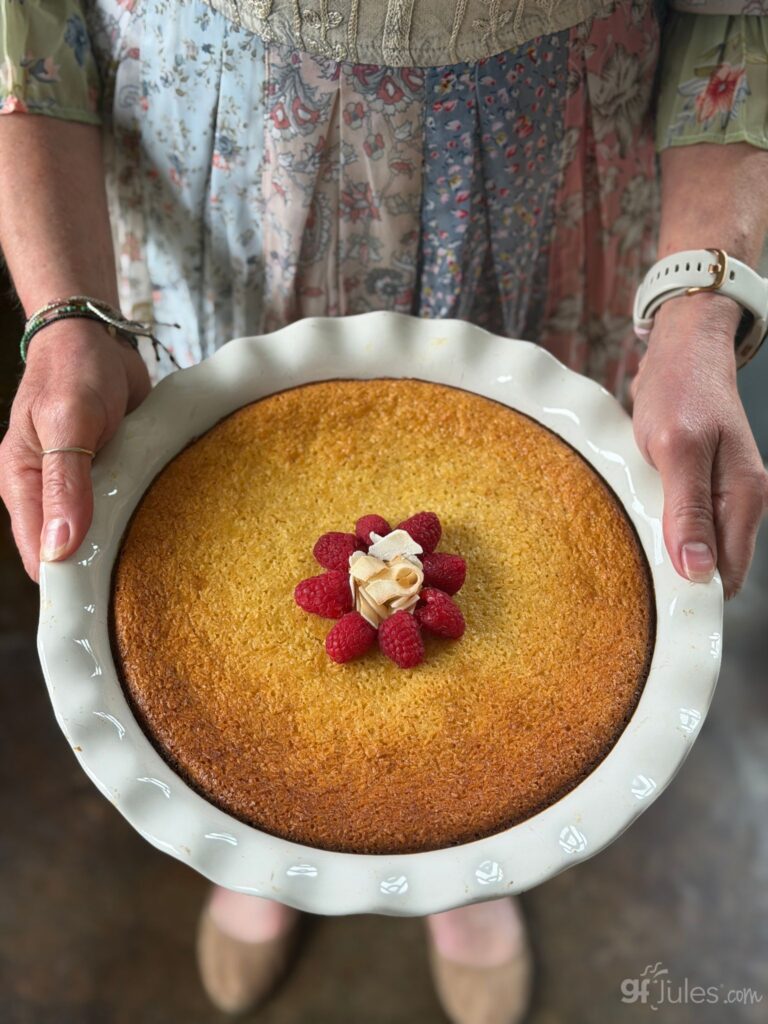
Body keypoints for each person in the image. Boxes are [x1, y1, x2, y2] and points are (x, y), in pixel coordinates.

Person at [1, 1, 767, 1021]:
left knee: (488, 756)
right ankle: (255, 839)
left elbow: (738, 21)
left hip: (556, 171)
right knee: (229, 693)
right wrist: (65, 311)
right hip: (220, 167)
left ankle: (476, 867)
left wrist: (701, 303)